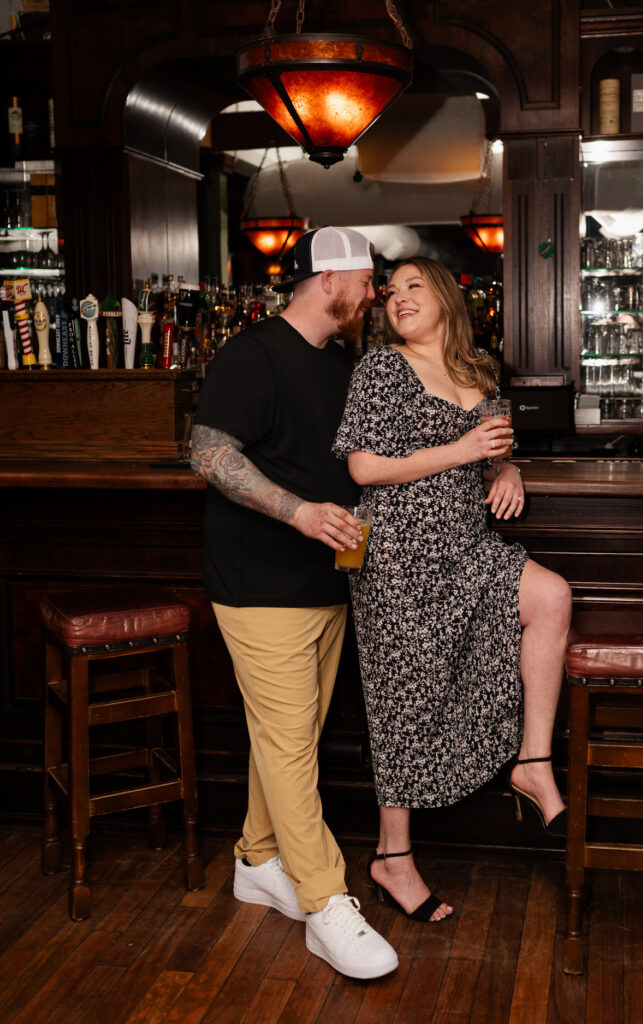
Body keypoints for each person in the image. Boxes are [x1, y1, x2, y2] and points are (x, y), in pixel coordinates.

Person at [332, 257, 573, 923]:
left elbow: (490, 449)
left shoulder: (478, 373)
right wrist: (468, 452)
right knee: (402, 703)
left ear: (444, 297)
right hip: (400, 560)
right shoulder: (381, 368)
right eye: (389, 291)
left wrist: (509, 468)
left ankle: (532, 761)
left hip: (468, 549)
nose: (396, 298)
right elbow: (363, 465)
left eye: (413, 286)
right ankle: (393, 858)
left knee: (550, 597)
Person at [190, 226, 398, 980]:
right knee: (287, 742)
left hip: (326, 580)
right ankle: (323, 901)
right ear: (327, 279)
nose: (373, 291)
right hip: (258, 581)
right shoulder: (252, 353)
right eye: (366, 278)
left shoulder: (340, 362)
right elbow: (208, 454)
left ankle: (256, 859)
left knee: (293, 737)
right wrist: (299, 512)